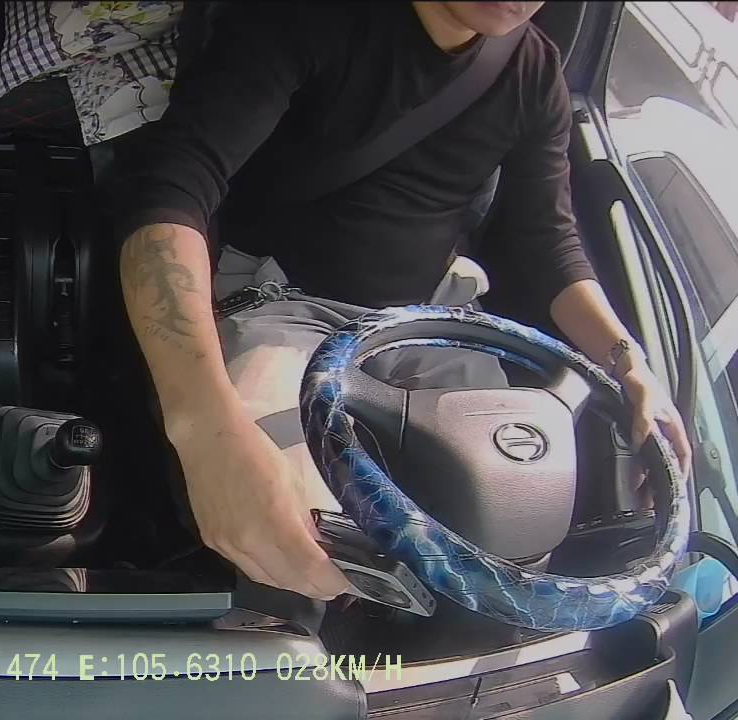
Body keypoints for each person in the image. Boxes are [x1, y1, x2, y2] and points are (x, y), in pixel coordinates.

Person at [114, 1, 693, 601]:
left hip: (430, 321)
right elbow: (173, 191)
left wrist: (631, 364)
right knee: (291, 532)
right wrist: (205, 428)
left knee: (511, 519)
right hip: (282, 303)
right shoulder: (305, 19)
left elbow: (549, 247)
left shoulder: (533, 70)